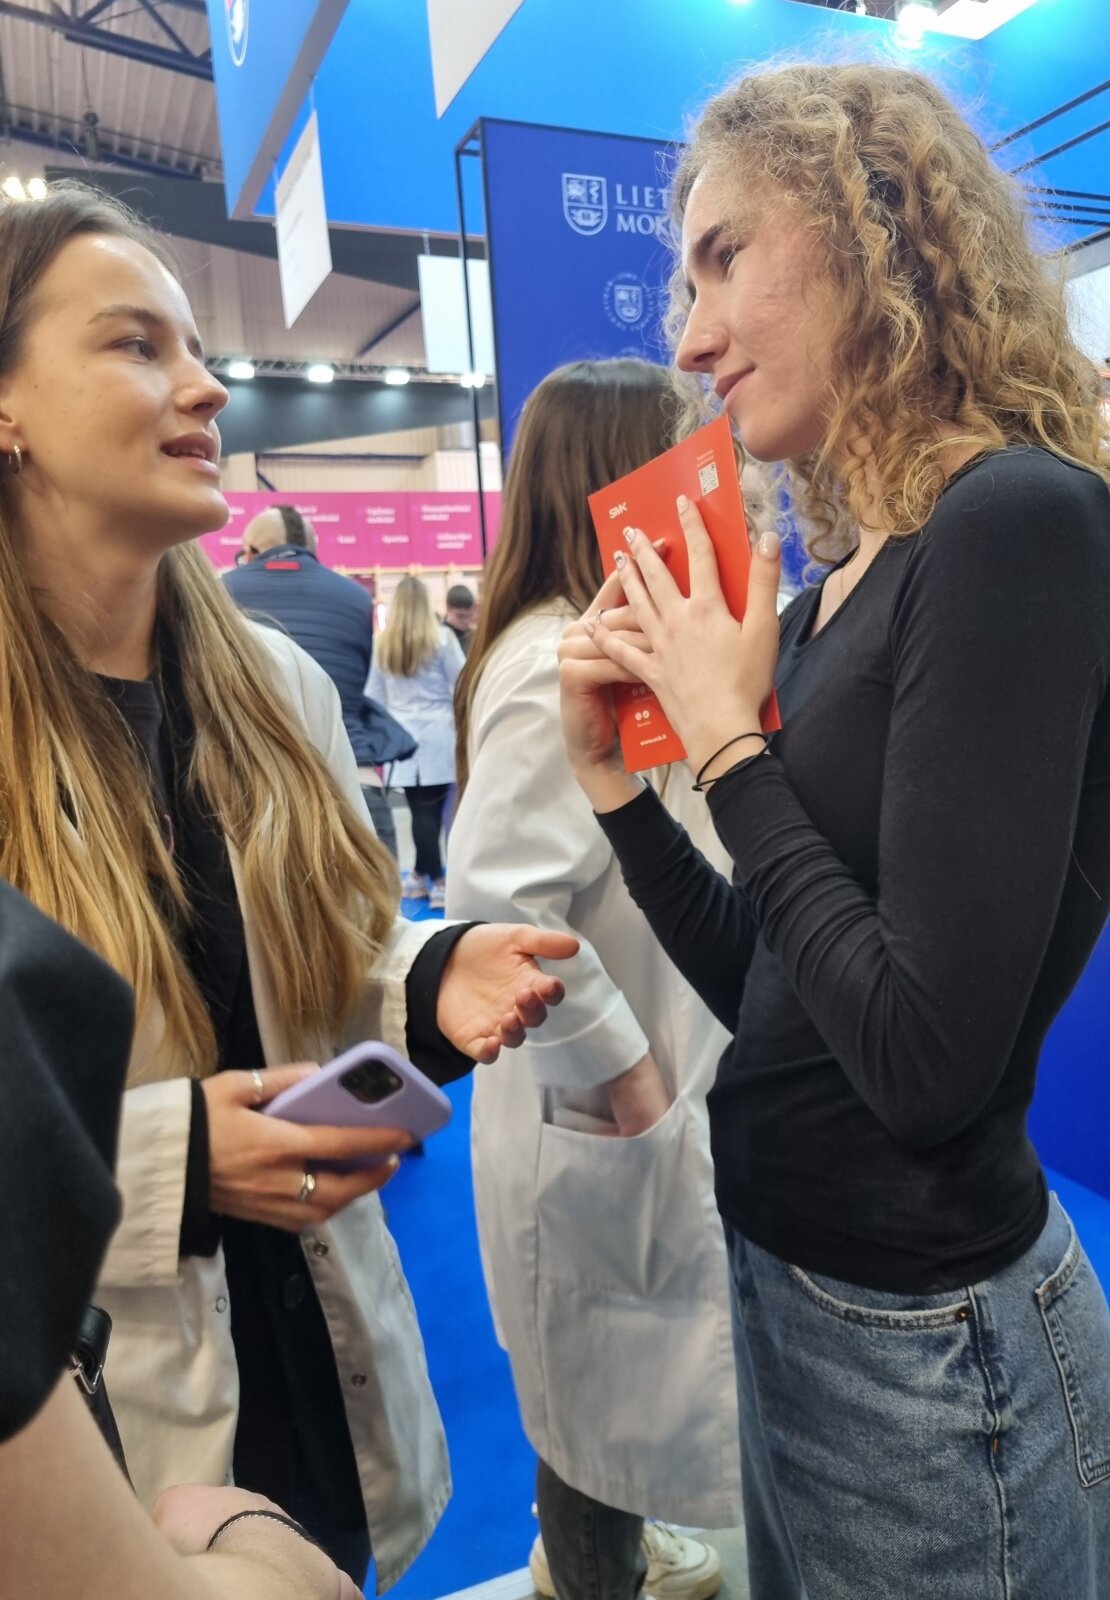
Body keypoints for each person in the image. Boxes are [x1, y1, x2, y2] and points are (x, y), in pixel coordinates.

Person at [557, 62, 1110, 1600]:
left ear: (876, 229)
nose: (689, 336)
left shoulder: (1015, 524)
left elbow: (921, 1063)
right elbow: (778, 994)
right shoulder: (840, 584)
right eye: (684, 280)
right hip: (801, 1287)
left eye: (724, 258)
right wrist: (619, 790)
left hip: (927, 1347)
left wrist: (728, 747)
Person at [0, 181, 577, 1593]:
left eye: (197, 349)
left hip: (319, 1349)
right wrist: (175, 1163)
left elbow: (333, 955)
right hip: (99, 1422)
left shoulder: (271, 687)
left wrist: (430, 976)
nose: (204, 388)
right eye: (136, 344)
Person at [449, 359, 734, 1600]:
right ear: (618, 476)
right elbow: (500, 906)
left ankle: (607, 1548)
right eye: (685, 455)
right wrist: (626, 1078)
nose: (715, 483)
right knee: (590, 1390)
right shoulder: (545, 662)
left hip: (641, 1078)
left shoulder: (605, 636)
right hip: (598, 1092)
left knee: (611, 1377)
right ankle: (585, 1575)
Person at [0, 877, 365, 1600]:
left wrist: (428, 976)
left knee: (341, 1518)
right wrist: (273, 1561)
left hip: (295, 1333)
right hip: (145, 1408)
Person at [223, 504, 411, 855]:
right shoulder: (356, 597)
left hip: (257, 792)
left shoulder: (220, 593)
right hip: (356, 781)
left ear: (249, 552)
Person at [367, 576, 464, 908]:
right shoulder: (443, 639)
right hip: (440, 734)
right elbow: (460, 686)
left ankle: (422, 875)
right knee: (433, 813)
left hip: (401, 738)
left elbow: (373, 696)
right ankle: (438, 881)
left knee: (419, 810)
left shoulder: (382, 643)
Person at [444, 582, 478, 653]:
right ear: (448, 609)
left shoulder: (471, 636)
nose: (465, 622)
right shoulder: (441, 637)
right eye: (461, 616)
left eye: (468, 616)